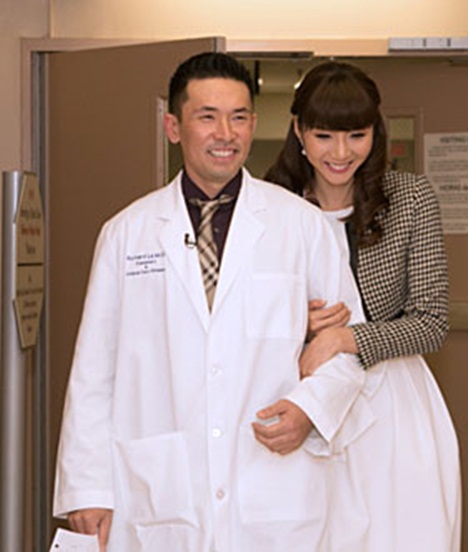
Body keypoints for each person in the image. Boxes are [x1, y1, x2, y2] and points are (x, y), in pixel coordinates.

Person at [52, 52, 368, 551]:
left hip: (273, 487)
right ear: (173, 127)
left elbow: (348, 349)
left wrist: (310, 410)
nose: (226, 133)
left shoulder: (302, 226)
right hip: (161, 488)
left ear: (254, 125)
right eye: (208, 117)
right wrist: (87, 489)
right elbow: (94, 372)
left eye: (239, 117)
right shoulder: (126, 233)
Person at [266, 61, 462, 551]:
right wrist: (299, 327)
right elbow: (236, 315)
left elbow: (432, 321)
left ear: (376, 132)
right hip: (300, 396)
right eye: (324, 136)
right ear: (298, 131)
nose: (341, 153)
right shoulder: (270, 206)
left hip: (394, 401)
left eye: (357, 135)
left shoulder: (410, 199)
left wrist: (343, 337)